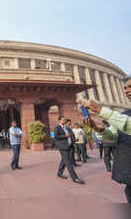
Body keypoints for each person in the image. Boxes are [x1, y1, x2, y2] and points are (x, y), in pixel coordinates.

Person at [81, 75, 131, 203]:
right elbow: (115, 136)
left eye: (130, 87)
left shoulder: (122, 117)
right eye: (125, 88)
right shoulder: (124, 114)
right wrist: (101, 129)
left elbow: (128, 125)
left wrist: (99, 109)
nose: (126, 91)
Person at [54, 116, 85, 184]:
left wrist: (73, 141)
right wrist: (65, 136)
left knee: (64, 160)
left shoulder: (66, 127)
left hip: (69, 146)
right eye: (63, 120)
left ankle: (59, 173)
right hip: (63, 147)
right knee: (68, 162)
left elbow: (71, 135)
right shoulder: (57, 127)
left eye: (65, 120)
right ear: (59, 120)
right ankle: (75, 178)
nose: (64, 121)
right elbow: (56, 136)